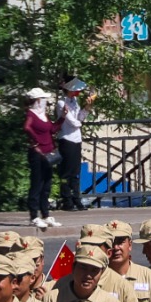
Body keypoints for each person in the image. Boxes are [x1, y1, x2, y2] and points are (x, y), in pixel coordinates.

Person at [20, 90, 58, 229]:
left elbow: (52, 129)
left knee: (47, 184)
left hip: (48, 152)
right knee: (37, 184)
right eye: (43, 99)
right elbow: (27, 127)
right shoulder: (31, 114)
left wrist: (62, 118)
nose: (45, 101)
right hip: (37, 153)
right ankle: (34, 216)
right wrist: (36, 142)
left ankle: (45, 214)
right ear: (37, 100)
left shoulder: (43, 114)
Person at [56, 80, 90, 213]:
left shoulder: (74, 101)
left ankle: (76, 198)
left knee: (76, 172)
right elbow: (73, 122)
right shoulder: (61, 103)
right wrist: (79, 122)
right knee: (66, 172)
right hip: (67, 139)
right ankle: (67, 199)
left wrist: (86, 108)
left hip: (76, 139)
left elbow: (80, 117)